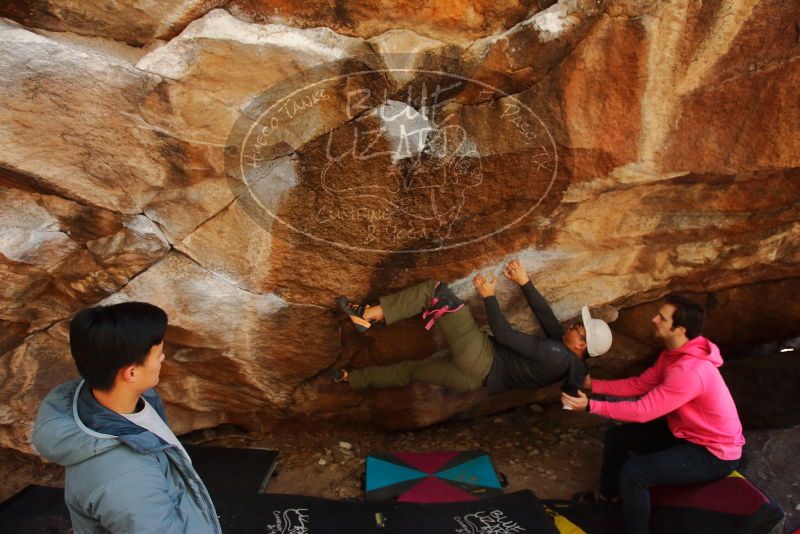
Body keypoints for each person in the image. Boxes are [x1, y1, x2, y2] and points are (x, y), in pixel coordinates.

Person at [31, 302, 221, 534]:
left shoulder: (114, 399)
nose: (162, 358)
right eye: (158, 353)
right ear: (131, 373)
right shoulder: (126, 479)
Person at [561, 294, 745, 534]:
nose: (654, 319)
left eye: (662, 317)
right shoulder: (674, 354)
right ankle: (609, 497)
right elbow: (640, 385)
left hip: (713, 452)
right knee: (618, 437)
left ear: (679, 328)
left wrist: (590, 406)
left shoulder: (689, 371)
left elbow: (642, 411)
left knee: (635, 473)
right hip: (686, 432)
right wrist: (593, 384)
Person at [334, 260, 612, 395]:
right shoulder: (566, 359)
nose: (574, 325)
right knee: (409, 371)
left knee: (435, 293)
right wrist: (524, 282)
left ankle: (367, 314)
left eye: (579, 328)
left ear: (582, 345)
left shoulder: (555, 353)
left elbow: (505, 335)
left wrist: (489, 296)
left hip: (479, 358)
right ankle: (350, 378)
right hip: (471, 381)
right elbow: (545, 315)